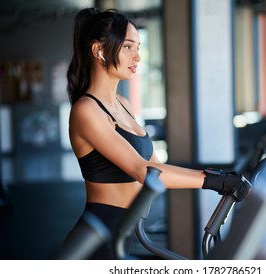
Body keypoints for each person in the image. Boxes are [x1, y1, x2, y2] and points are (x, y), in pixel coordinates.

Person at [63, 7, 251, 259]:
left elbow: (157, 168)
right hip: (97, 237)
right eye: (128, 47)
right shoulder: (87, 110)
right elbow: (144, 172)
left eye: (138, 47)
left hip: (125, 232)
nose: (138, 57)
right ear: (99, 51)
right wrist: (216, 181)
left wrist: (217, 177)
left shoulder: (123, 105)